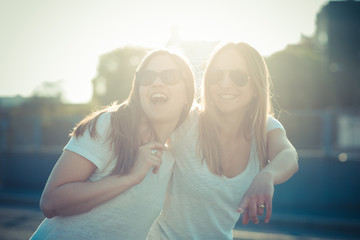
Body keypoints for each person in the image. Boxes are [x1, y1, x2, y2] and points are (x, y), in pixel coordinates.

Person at [30, 49, 195, 240]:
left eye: (169, 76)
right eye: (147, 77)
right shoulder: (110, 126)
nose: (157, 82)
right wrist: (131, 177)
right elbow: (51, 202)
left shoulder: (174, 154)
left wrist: (239, 187)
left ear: (187, 95)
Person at [147, 42, 299, 240]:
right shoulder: (186, 119)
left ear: (256, 87)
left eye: (238, 77)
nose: (225, 83)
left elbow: (289, 156)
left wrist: (267, 175)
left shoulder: (265, 128)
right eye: (216, 75)